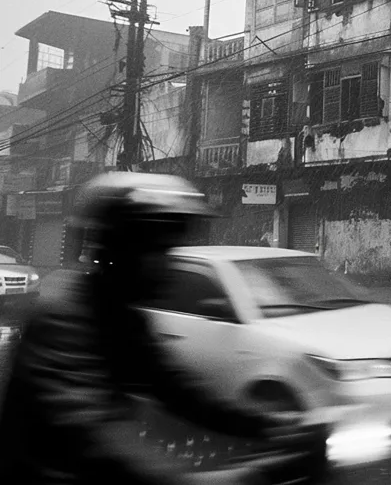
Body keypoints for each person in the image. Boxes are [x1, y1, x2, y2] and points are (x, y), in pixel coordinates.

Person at [0, 172, 307, 484]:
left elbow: (177, 389)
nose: (166, 265)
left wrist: (268, 424)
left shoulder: (124, 318)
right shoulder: (62, 315)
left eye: (169, 250)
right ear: (114, 250)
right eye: (154, 250)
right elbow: (98, 436)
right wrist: (234, 479)